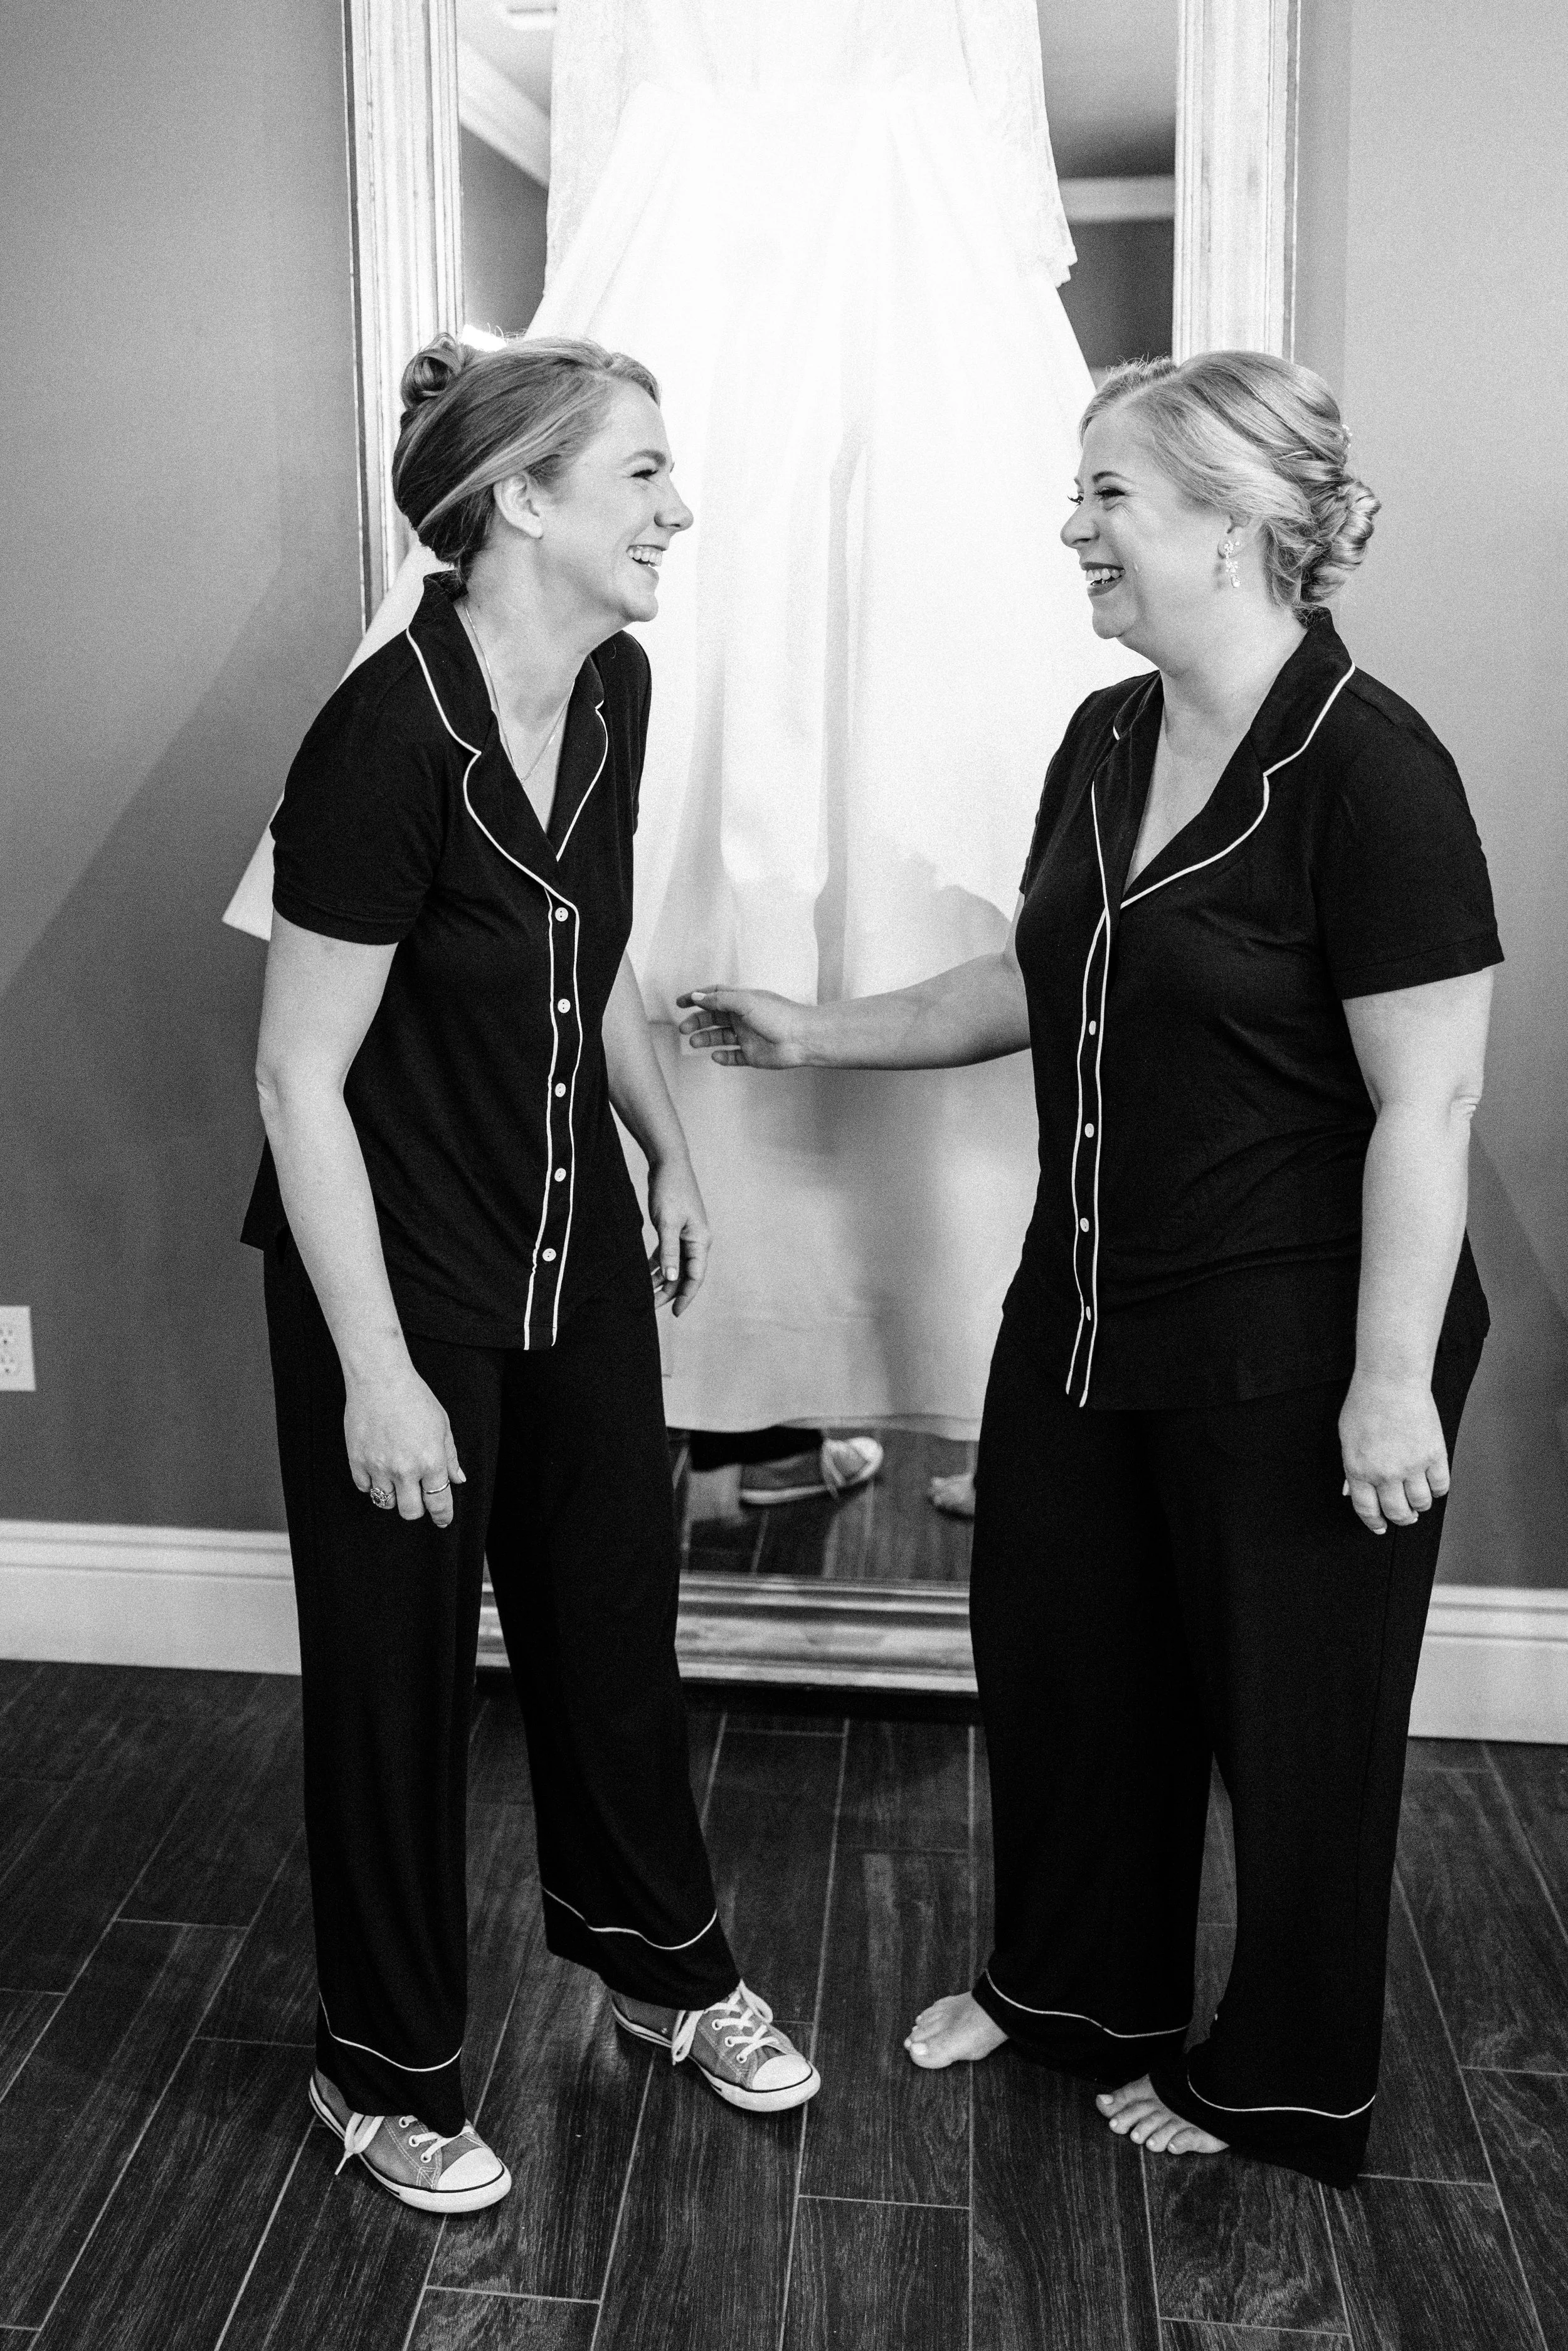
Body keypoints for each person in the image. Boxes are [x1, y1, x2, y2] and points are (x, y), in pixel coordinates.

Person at [679, 351, 1500, 2189]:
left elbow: (1426, 1100)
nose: (1075, 529)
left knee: (1294, 1725)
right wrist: (816, 1033)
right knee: (1063, 1668)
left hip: (1300, 1329)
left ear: (1228, 519)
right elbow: (1049, 976)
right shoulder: (1105, 739)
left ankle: (1279, 2084)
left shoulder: (1371, 768)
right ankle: (1070, 1993)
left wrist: (1384, 1379)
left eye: (1106, 495)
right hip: (1086, 1300)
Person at [246, 332, 820, 2217]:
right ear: (522, 501)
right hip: (392, 1264)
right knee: (399, 1674)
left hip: (564, 1237)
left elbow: (595, 954)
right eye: (642, 471)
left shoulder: (614, 683)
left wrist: (670, 1135)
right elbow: (295, 1077)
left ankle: (664, 1968)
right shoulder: (383, 736)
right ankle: (380, 2070)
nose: (676, 507)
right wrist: (377, 1373)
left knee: (605, 1615)